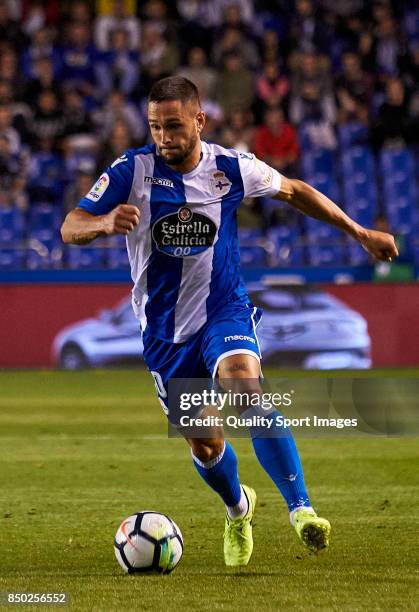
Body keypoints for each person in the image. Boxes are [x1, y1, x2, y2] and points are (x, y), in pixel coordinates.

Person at [61, 76, 398, 567]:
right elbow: (71, 226)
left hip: (225, 310)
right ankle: (238, 509)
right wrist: (102, 224)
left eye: (173, 126)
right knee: (205, 442)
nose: (163, 137)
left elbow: (295, 191)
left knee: (245, 389)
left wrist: (360, 232)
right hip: (164, 332)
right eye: (155, 127)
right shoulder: (130, 171)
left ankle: (301, 510)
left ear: (199, 120)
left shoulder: (231, 168)